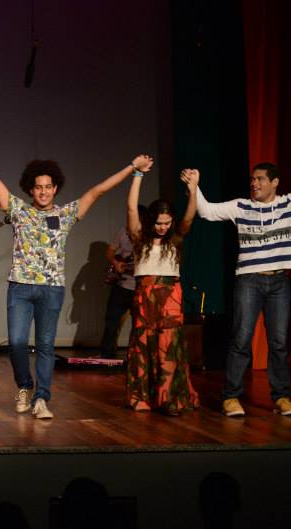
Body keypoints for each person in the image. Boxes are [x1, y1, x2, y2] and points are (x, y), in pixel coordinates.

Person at [0, 125, 150, 419]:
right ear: (30, 189)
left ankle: (42, 399)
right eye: (38, 187)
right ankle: (24, 385)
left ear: (56, 188)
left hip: (52, 289)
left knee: (46, 345)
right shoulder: (18, 210)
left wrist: (133, 168)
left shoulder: (66, 214)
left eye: (48, 187)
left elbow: (99, 190)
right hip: (20, 287)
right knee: (16, 342)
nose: (43, 191)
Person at [194, 163, 291, 417]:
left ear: (275, 182)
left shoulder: (287, 205)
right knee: (241, 340)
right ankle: (231, 397)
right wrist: (194, 186)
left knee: (279, 343)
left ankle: (281, 396)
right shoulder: (241, 206)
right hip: (249, 281)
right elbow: (206, 211)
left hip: (279, 282)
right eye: (252, 179)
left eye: (260, 179)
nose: (254, 184)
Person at [124, 159, 199, 414]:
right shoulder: (139, 240)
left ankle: (170, 398)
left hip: (170, 296)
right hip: (145, 294)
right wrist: (137, 175)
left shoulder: (175, 240)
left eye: (167, 222)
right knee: (143, 345)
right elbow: (132, 209)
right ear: (151, 221)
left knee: (169, 347)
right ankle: (141, 397)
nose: (163, 227)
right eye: (158, 222)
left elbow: (189, 216)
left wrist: (194, 189)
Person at [98, 225, 136, 359]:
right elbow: (110, 251)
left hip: (140, 288)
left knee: (139, 325)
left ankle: (134, 358)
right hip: (121, 285)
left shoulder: (150, 234)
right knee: (111, 321)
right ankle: (106, 356)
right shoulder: (123, 231)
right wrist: (115, 263)